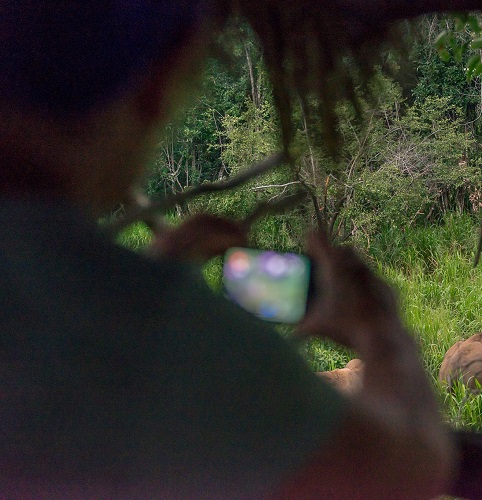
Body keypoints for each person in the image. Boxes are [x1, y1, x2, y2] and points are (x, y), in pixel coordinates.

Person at [0, 2, 454, 497]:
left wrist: (148, 278)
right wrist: (379, 327)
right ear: (162, 78)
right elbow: (406, 468)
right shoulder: (165, 332)